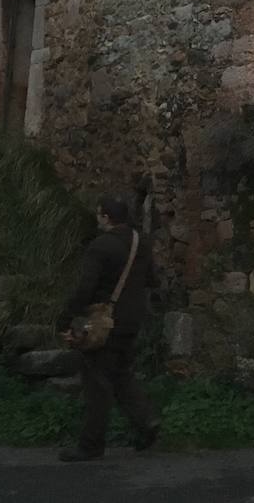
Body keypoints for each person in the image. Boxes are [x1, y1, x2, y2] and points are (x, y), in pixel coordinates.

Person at [56, 194, 159, 462]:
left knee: (96, 382)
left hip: (105, 322)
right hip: (133, 320)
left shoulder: (100, 246)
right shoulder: (142, 243)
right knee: (121, 374)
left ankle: (91, 445)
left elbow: (85, 288)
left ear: (105, 217)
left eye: (99, 214)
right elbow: (151, 280)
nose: (97, 218)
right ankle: (146, 421)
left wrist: (66, 318)